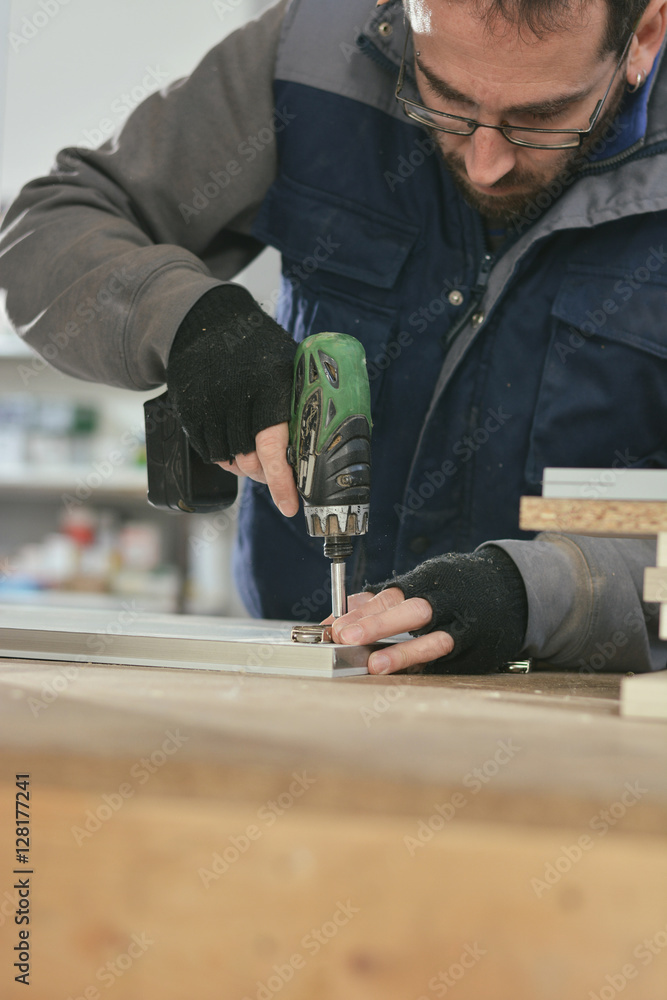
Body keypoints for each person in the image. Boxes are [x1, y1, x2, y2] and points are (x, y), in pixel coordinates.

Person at [1, 0, 666, 675]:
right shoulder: (310, 59)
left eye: (539, 118)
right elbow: (49, 228)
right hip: (301, 683)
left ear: (642, 36)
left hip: (586, 720)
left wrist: (543, 596)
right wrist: (185, 320)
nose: (485, 163)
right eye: (445, 98)